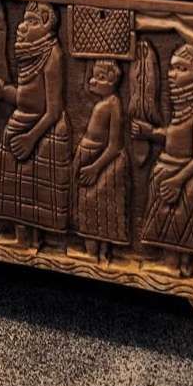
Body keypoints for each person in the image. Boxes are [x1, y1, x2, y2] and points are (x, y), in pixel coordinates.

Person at [0, 1, 70, 250]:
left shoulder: (52, 55)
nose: (22, 26)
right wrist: (4, 92)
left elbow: (53, 110)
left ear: (46, 26)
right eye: (23, 19)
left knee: (34, 189)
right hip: (21, 121)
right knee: (15, 186)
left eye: (32, 21)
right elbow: (26, 94)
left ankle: (35, 239)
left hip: (42, 128)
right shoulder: (30, 51)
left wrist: (31, 138)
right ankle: (22, 236)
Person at [131, 43, 193, 277]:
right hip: (168, 168)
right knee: (170, 223)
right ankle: (177, 264)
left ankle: (175, 266)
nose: (172, 74)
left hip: (183, 173)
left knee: (174, 223)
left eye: (181, 68)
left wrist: (178, 181)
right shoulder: (184, 104)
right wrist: (150, 133)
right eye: (171, 68)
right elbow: (174, 136)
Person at [70, 60, 129, 264]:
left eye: (100, 78)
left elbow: (115, 145)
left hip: (101, 161)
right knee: (90, 206)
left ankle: (97, 254)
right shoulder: (104, 103)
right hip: (90, 156)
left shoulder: (113, 105)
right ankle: (95, 253)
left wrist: (95, 167)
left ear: (113, 81)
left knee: (95, 206)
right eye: (93, 76)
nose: (92, 81)